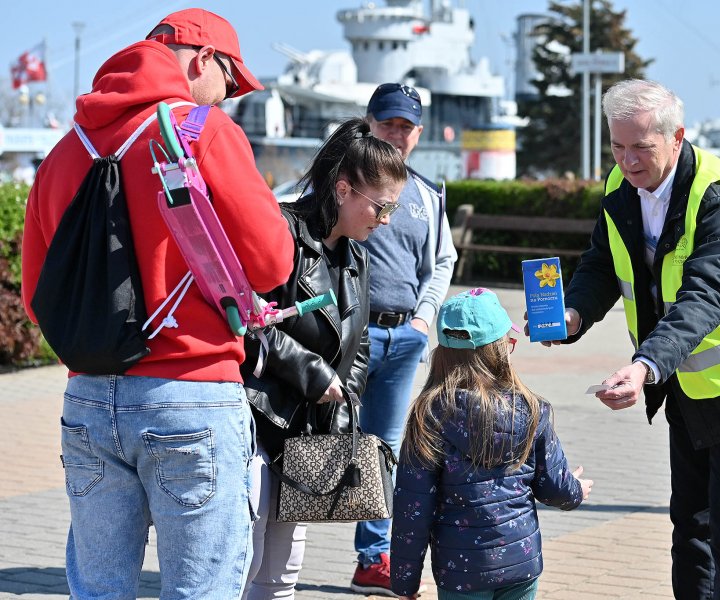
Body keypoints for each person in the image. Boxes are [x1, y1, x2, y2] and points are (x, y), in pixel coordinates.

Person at [20, 9, 295, 599]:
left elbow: (36, 296)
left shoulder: (67, 150)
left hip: (89, 399)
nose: (231, 98)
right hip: (191, 395)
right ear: (202, 60)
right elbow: (274, 264)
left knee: (98, 590)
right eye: (232, 81)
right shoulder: (205, 132)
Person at [529, 79, 720, 600]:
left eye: (640, 148)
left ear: (676, 138)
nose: (627, 162)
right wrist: (572, 314)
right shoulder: (619, 187)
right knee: (690, 527)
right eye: (617, 146)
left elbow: (704, 295)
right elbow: (603, 264)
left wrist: (645, 365)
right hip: (685, 380)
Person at [240, 117, 407, 599]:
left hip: (308, 428)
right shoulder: (281, 232)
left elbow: (360, 346)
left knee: (284, 566)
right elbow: (252, 327)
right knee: (242, 557)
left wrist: (343, 398)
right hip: (258, 418)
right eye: (381, 206)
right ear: (343, 189)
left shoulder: (357, 256)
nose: (386, 219)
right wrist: (315, 376)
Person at [390, 288, 592, 600]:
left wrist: (405, 581)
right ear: (503, 349)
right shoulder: (531, 408)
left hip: (461, 571)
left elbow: (413, 509)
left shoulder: (429, 415)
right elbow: (552, 486)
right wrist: (576, 489)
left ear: (442, 352)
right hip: (520, 563)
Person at [351, 82, 458, 595]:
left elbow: (442, 261)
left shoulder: (426, 193)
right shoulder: (340, 181)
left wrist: (424, 319)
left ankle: (373, 558)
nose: (396, 134)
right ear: (368, 123)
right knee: (315, 441)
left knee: (382, 449)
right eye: (388, 123)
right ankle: (274, 553)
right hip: (347, 338)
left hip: (402, 340)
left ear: (418, 132)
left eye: (406, 126)